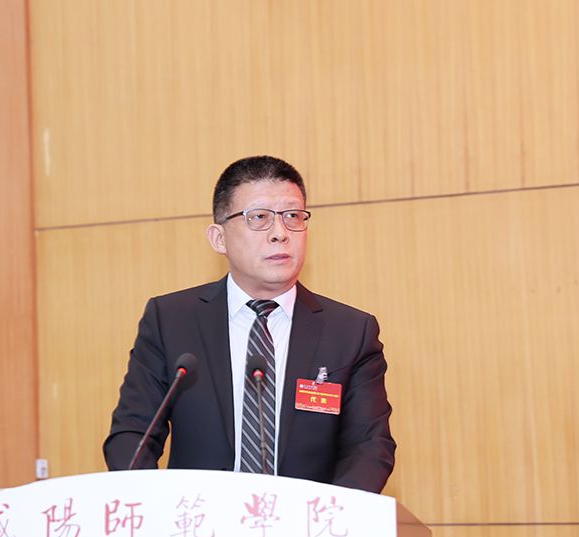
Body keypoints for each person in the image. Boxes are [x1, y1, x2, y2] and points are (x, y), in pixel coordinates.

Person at [103, 155, 395, 493]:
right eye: (259, 218)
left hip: (304, 522)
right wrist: (155, 506)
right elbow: (133, 433)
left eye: (293, 217)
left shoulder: (350, 332)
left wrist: (330, 516)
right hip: (197, 519)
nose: (280, 234)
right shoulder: (170, 320)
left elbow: (370, 447)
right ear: (219, 238)